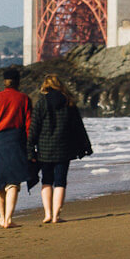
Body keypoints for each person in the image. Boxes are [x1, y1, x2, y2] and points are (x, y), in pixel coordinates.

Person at [27, 73, 93, 224]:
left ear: (46, 86)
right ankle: (57, 216)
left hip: (44, 149)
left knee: (46, 181)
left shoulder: (41, 102)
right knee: (60, 181)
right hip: (64, 147)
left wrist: (30, 149)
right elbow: (78, 127)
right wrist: (86, 146)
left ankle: (48, 214)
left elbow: (34, 128)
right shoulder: (68, 102)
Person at [0, 67, 32, 228]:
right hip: (17, 140)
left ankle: (2, 217)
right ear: (18, 81)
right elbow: (28, 124)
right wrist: (29, 143)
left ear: (4, 81)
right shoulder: (23, 98)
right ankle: (9, 219)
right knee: (13, 182)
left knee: (0, 181)